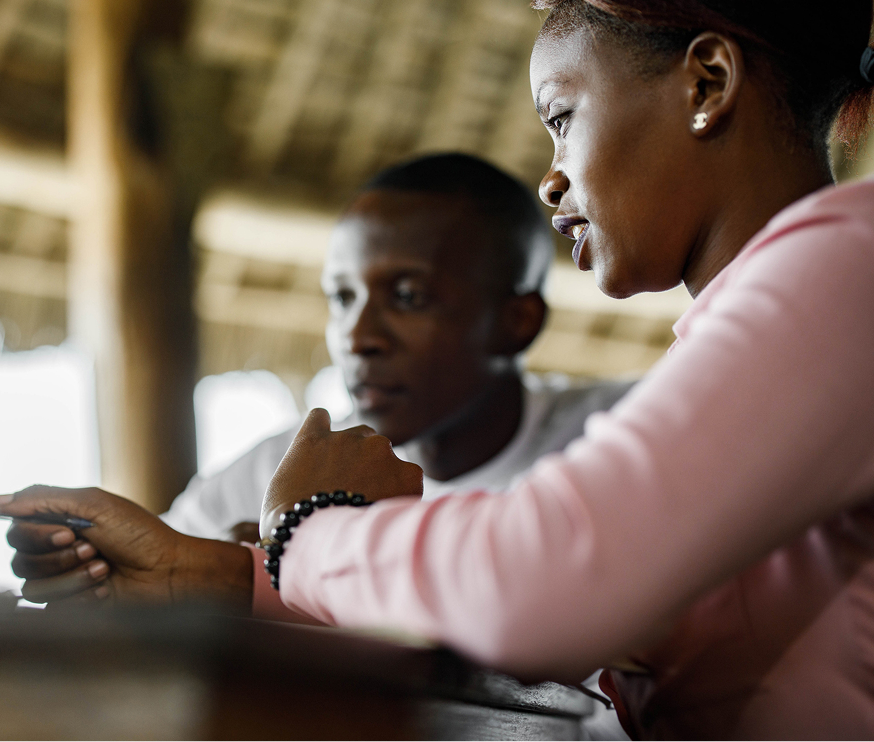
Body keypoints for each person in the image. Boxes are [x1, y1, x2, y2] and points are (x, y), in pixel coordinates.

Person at [0, 0, 874, 736]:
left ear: (707, 84)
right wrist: (223, 579)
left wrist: (311, 529)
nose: (551, 180)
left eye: (562, 118)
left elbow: (549, 582)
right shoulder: (764, 329)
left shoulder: (850, 266)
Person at [161, 153, 632, 545]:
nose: (357, 337)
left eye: (409, 297)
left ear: (517, 323)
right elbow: (152, 569)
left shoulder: (620, 441)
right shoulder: (288, 469)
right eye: (343, 298)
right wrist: (220, 575)